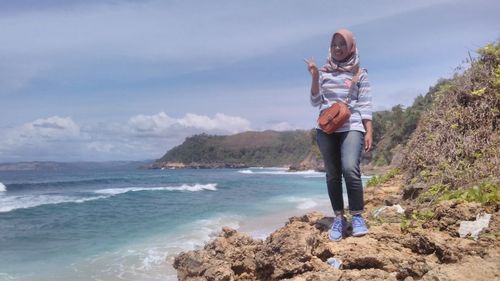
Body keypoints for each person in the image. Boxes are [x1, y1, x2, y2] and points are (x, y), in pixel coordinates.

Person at [304, 28, 373, 241]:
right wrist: (315, 76)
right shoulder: (323, 72)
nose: (338, 48)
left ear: (351, 47)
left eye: (343, 44)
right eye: (335, 44)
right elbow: (315, 102)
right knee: (332, 174)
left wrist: (369, 130)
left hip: (352, 125)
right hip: (326, 129)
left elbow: (365, 105)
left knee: (350, 168)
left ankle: (357, 216)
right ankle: (339, 218)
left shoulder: (360, 73)